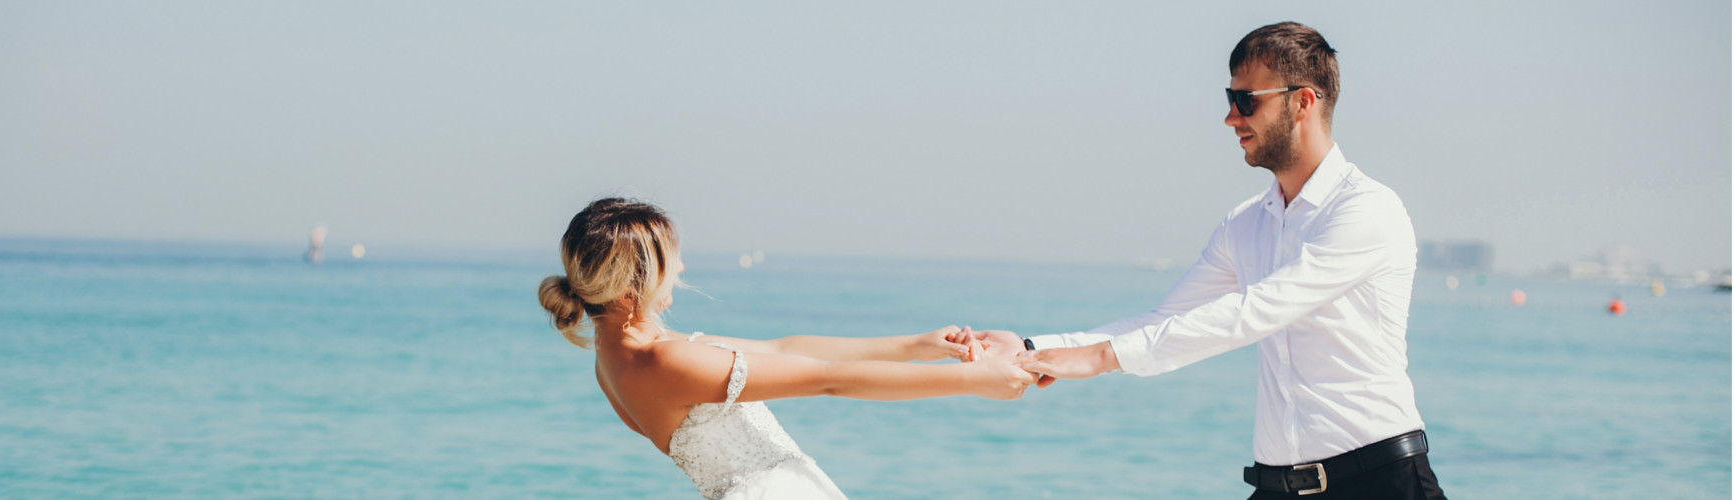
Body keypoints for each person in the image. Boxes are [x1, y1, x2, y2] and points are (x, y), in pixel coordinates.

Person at [965, 22, 1446, 499]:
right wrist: (1031, 347)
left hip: (1383, 482)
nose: (1231, 118)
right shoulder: (1245, 224)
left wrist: (1099, 358)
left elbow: (1254, 311)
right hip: (1277, 487)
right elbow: (1165, 320)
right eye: (1229, 99)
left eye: (1245, 100)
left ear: (1303, 102)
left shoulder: (1367, 210)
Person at [537, 197, 1034, 500]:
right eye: (672, 260)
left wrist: (914, 345)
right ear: (631, 288)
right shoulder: (666, 360)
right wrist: (973, 380)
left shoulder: (617, 360)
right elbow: (827, 380)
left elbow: (782, 348)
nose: (683, 268)